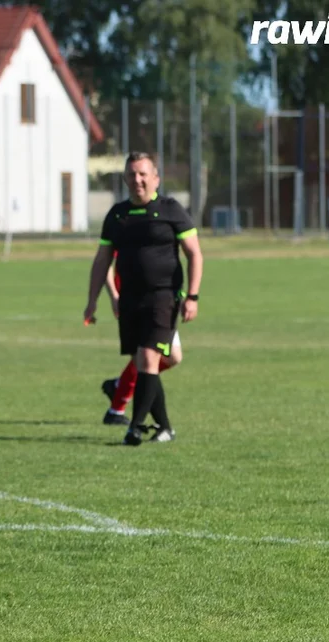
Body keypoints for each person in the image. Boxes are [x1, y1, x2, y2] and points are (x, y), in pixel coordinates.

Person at [84, 151, 202, 446]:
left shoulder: (171, 210)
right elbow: (102, 260)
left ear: (155, 178)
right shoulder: (118, 215)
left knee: (149, 357)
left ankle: (134, 427)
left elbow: (194, 253)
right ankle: (164, 426)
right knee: (152, 359)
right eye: (132, 174)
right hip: (130, 300)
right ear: (125, 178)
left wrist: (193, 296)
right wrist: (93, 300)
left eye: (143, 174)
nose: (137, 179)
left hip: (164, 297)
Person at [98, 256, 182, 435]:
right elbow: (105, 259)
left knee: (172, 357)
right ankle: (121, 412)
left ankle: (120, 386)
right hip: (134, 301)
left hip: (160, 299)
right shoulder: (126, 227)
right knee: (148, 358)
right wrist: (114, 295)